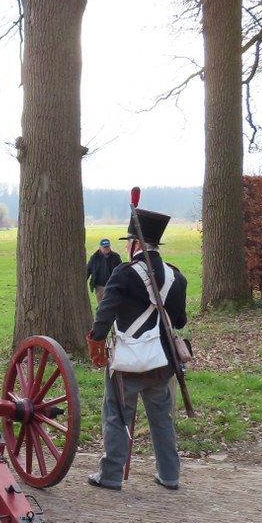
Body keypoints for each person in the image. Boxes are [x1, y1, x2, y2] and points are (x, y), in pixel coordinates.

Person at [85, 209, 189, 491]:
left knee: (117, 415)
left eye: (129, 242)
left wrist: (96, 343)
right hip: (162, 362)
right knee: (162, 419)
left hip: (127, 362)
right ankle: (169, 475)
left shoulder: (124, 273)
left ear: (136, 244)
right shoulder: (176, 277)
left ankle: (111, 475)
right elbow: (180, 321)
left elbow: (104, 313)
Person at [86, 238, 122, 302]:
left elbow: (120, 271)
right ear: (100, 247)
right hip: (100, 287)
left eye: (107, 247)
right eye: (104, 247)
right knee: (101, 305)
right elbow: (88, 270)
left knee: (113, 304)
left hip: (112, 286)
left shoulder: (116, 257)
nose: (106, 249)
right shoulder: (94, 257)